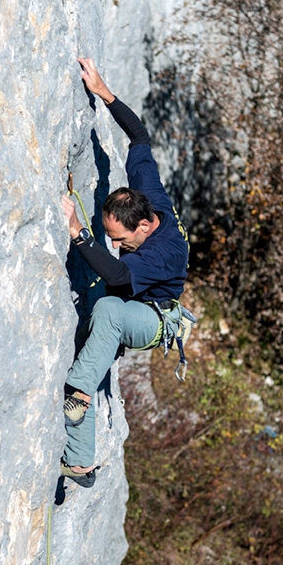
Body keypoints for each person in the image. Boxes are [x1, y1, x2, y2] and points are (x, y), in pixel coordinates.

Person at [60, 57, 189, 488]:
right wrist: (104, 91)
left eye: (121, 237)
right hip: (133, 298)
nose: (116, 242)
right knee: (101, 322)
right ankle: (80, 466)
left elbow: (117, 276)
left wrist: (80, 236)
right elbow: (138, 135)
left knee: (110, 310)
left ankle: (78, 390)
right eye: (110, 235)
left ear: (145, 224)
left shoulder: (163, 253)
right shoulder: (147, 194)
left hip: (152, 318)